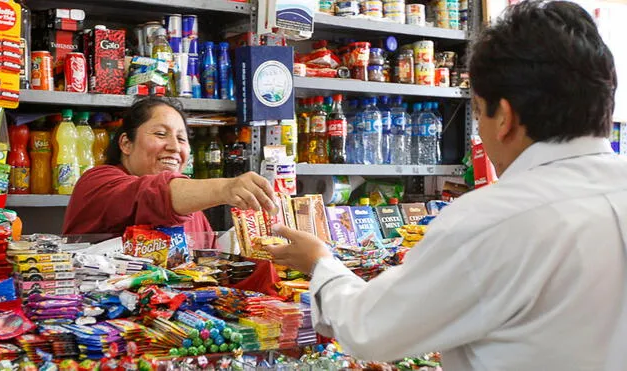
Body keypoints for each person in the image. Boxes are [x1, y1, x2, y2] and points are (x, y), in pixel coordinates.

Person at [265, 1, 627, 370]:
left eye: (477, 111)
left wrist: (321, 264)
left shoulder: (494, 219)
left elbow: (370, 330)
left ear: (504, 117)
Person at [63, 97, 276, 249]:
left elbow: (213, 271)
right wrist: (226, 187)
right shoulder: (97, 183)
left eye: (182, 139)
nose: (175, 147)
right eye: (160, 134)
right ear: (126, 143)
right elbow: (151, 194)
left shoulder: (192, 209)